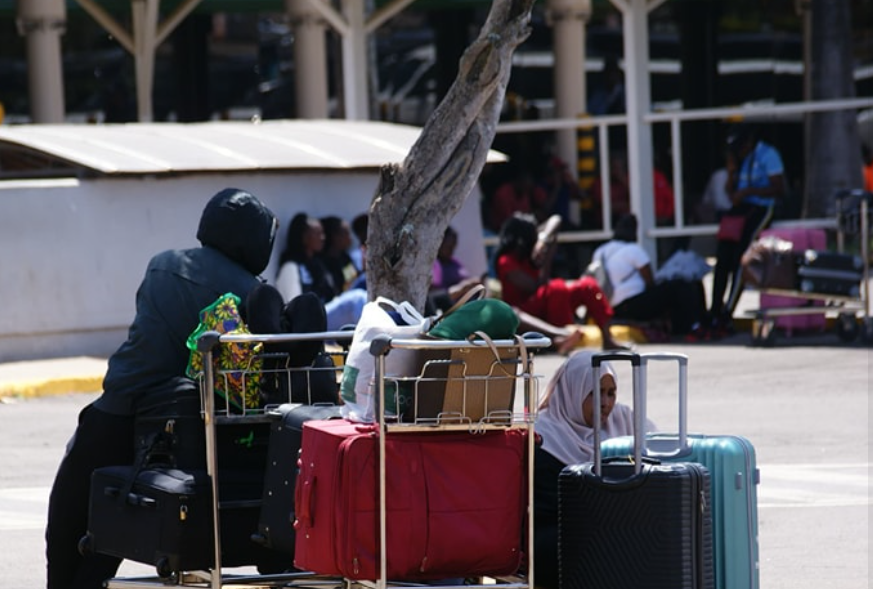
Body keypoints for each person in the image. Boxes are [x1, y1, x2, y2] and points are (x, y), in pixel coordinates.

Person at [45, 188, 279, 589]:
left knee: (74, 518)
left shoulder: (165, 265)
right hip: (193, 431)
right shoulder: (256, 292)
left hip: (122, 409)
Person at [532, 350, 654, 589]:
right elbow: (549, 509)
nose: (606, 403)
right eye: (595, 393)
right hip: (560, 535)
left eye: (611, 393)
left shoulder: (623, 421)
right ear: (574, 392)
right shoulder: (544, 437)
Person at [494, 212, 627, 350]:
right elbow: (534, 287)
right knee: (556, 288)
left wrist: (544, 241)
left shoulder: (532, 251)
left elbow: (556, 220)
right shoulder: (505, 261)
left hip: (547, 301)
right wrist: (544, 259)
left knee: (587, 285)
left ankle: (607, 339)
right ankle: (562, 335)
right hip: (526, 311)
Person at [707, 123, 785, 337]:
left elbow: (779, 189)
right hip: (739, 210)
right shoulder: (739, 158)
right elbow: (731, 193)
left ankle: (727, 312)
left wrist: (749, 191)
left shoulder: (768, 155)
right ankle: (714, 309)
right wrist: (732, 172)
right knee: (722, 259)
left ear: (749, 142)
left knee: (740, 259)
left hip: (760, 209)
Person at [591, 214, 706, 337]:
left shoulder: (600, 251)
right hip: (634, 306)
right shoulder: (634, 250)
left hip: (613, 307)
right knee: (681, 286)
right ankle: (690, 327)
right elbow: (649, 282)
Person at [275, 213, 367, 330]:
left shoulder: (318, 264)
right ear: (304, 237)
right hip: (309, 321)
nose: (323, 237)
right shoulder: (291, 266)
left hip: (324, 313)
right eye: (318, 234)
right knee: (356, 299)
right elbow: (294, 307)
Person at [428, 225, 484, 313]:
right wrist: (461, 288)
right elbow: (434, 296)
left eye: (453, 247)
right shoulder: (432, 264)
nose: (451, 250)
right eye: (448, 247)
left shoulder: (454, 262)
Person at [319, 215, 360, 292]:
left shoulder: (345, 258)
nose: (350, 238)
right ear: (335, 236)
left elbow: (352, 281)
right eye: (346, 233)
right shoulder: (321, 262)